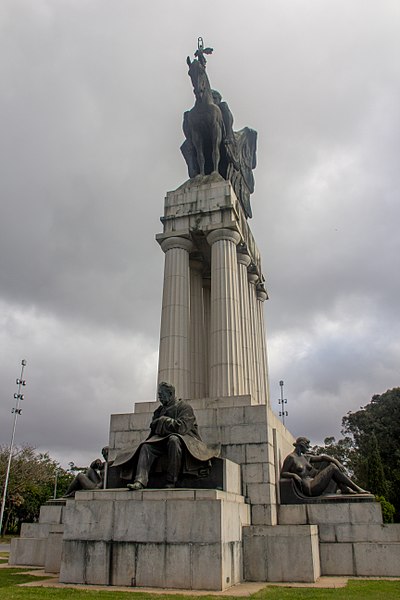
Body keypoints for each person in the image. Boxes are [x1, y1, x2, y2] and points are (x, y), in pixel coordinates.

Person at [113, 382, 219, 490]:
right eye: (159, 394)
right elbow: (153, 426)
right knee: (146, 446)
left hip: (185, 440)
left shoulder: (185, 408)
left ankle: (171, 481)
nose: (159, 397)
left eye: (161, 394)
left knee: (174, 440)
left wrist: (163, 421)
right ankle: (140, 481)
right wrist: (162, 423)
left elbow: (182, 428)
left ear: (170, 393)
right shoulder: (159, 411)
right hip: (161, 440)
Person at [280, 437, 369, 496]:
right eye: (306, 446)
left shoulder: (306, 457)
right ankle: (356, 488)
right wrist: (294, 475)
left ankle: (344, 488)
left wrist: (336, 461)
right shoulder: (291, 458)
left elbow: (323, 457)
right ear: (301, 445)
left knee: (329, 463)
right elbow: (283, 473)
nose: (308, 448)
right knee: (332, 468)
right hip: (309, 488)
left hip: (314, 481)